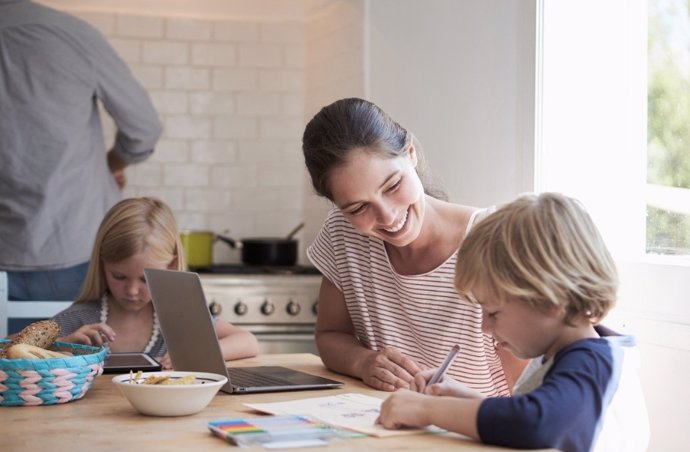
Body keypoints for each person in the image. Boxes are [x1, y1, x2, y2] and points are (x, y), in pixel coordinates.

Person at [378, 192, 650, 452]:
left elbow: (534, 423)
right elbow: (524, 411)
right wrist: (459, 397)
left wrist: (427, 411)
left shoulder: (591, 363)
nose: (485, 326)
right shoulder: (571, 354)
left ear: (550, 299)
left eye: (493, 313)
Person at [302, 97, 526, 395]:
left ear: (411, 154)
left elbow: (529, 397)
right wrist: (364, 362)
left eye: (393, 186)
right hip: (389, 428)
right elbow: (330, 335)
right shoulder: (342, 234)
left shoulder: (497, 242)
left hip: (480, 432)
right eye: (358, 208)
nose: (387, 216)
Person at [0, 0, 163, 302]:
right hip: (76, 248)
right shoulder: (70, 34)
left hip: (12, 251)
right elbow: (144, 128)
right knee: (86, 349)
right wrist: (113, 164)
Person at [51, 197, 259, 368]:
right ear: (102, 264)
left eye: (145, 279)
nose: (132, 291)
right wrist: (61, 348)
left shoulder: (179, 318)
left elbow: (248, 342)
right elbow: (18, 347)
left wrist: (197, 356)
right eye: (119, 276)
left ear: (171, 265)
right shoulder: (81, 319)